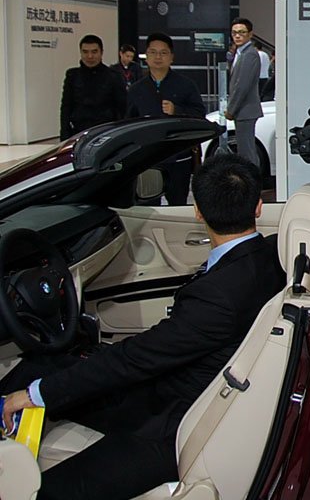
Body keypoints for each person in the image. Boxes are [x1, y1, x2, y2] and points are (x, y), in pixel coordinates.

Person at [0, 154, 285, 500]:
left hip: (176, 426)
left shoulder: (216, 298)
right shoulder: (273, 256)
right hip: (184, 389)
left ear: (197, 211)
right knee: (39, 366)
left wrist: (34, 395)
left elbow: (133, 360)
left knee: (46, 492)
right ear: (258, 207)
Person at [126, 33, 206, 204]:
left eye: (163, 53)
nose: (158, 57)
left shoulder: (185, 85)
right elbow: (128, 123)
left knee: (178, 205)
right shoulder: (136, 89)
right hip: (148, 159)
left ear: (171, 57)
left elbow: (199, 114)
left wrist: (177, 110)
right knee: (148, 205)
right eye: (153, 52)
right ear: (146, 56)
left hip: (178, 157)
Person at [59, 34, 126, 140]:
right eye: (85, 52)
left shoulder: (113, 76)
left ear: (101, 52)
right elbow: (66, 108)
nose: (90, 56)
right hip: (78, 133)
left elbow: (122, 108)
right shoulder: (72, 76)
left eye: (94, 52)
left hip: (106, 134)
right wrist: (65, 136)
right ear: (80, 52)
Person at [226, 19, 264, 168]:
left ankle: (252, 178)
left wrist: (231, 109)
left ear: (250, 34)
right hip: (243, 111)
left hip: (245, 110)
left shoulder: (250, 54)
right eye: (234, 32)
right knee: (244, 150)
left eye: (241, 32)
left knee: (247, 152)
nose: (237, 36)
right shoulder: (240, 53)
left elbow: (242, 86)